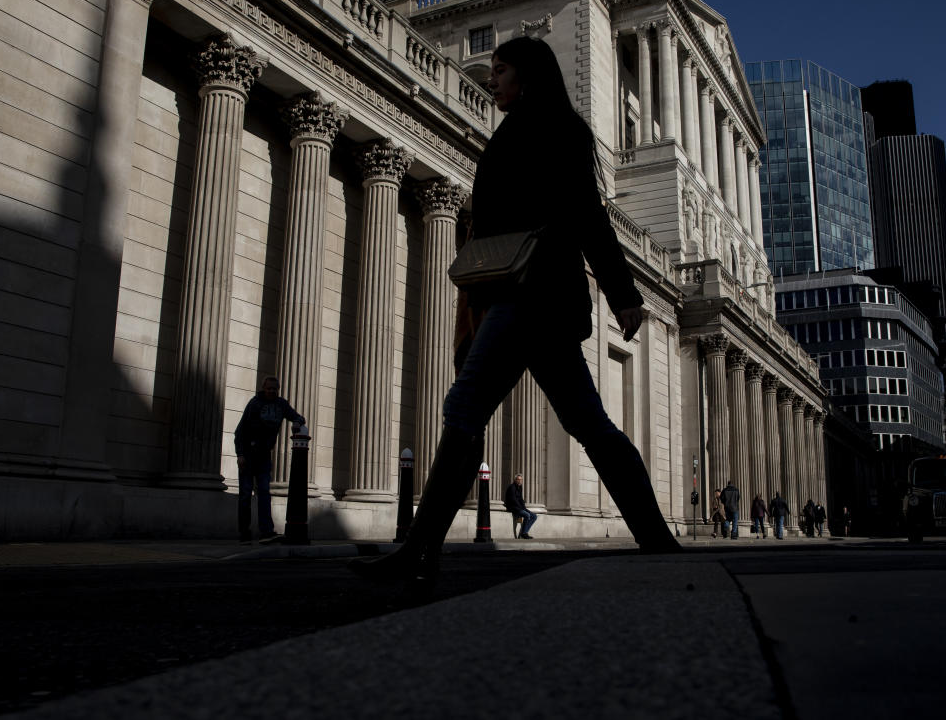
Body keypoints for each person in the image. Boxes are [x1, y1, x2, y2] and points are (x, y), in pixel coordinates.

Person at [350, 37, 681, 592]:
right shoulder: (521, 127)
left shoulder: (554, 128)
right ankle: (655, 538)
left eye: (500, 71)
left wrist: (624, 291)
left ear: (527, 75)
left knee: (464, 409)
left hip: (532, 295)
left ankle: (418, 550)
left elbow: (586, 213)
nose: (492, 80)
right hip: (523, 296)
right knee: (588, 423)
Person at [234, 376, 305, 544]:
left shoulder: (281, 405)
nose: (272, 391)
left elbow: (299, 417)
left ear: (278, 390)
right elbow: (240, 432)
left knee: (264, 492)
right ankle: (244, 532)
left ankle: (266, 531)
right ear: (263, 388)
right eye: (269, 388)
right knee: (245, 494)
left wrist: (296, 422)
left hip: (264, 455)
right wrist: (240, 455)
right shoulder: (254, 404)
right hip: (249, 454)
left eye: (275, 389)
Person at [504, 473, 538, 539]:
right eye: (518, 479)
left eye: (521, 480)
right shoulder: (512, 487)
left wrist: (524, 507)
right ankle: (524, 533)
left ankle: (525, 531)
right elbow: (513, 499)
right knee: (527, 515)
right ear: (515, 480)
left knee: (534, 516)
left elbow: (520, 498)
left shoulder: (520, 487)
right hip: (513, 507)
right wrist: (521, 508)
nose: (520, 481)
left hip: (519, 507)